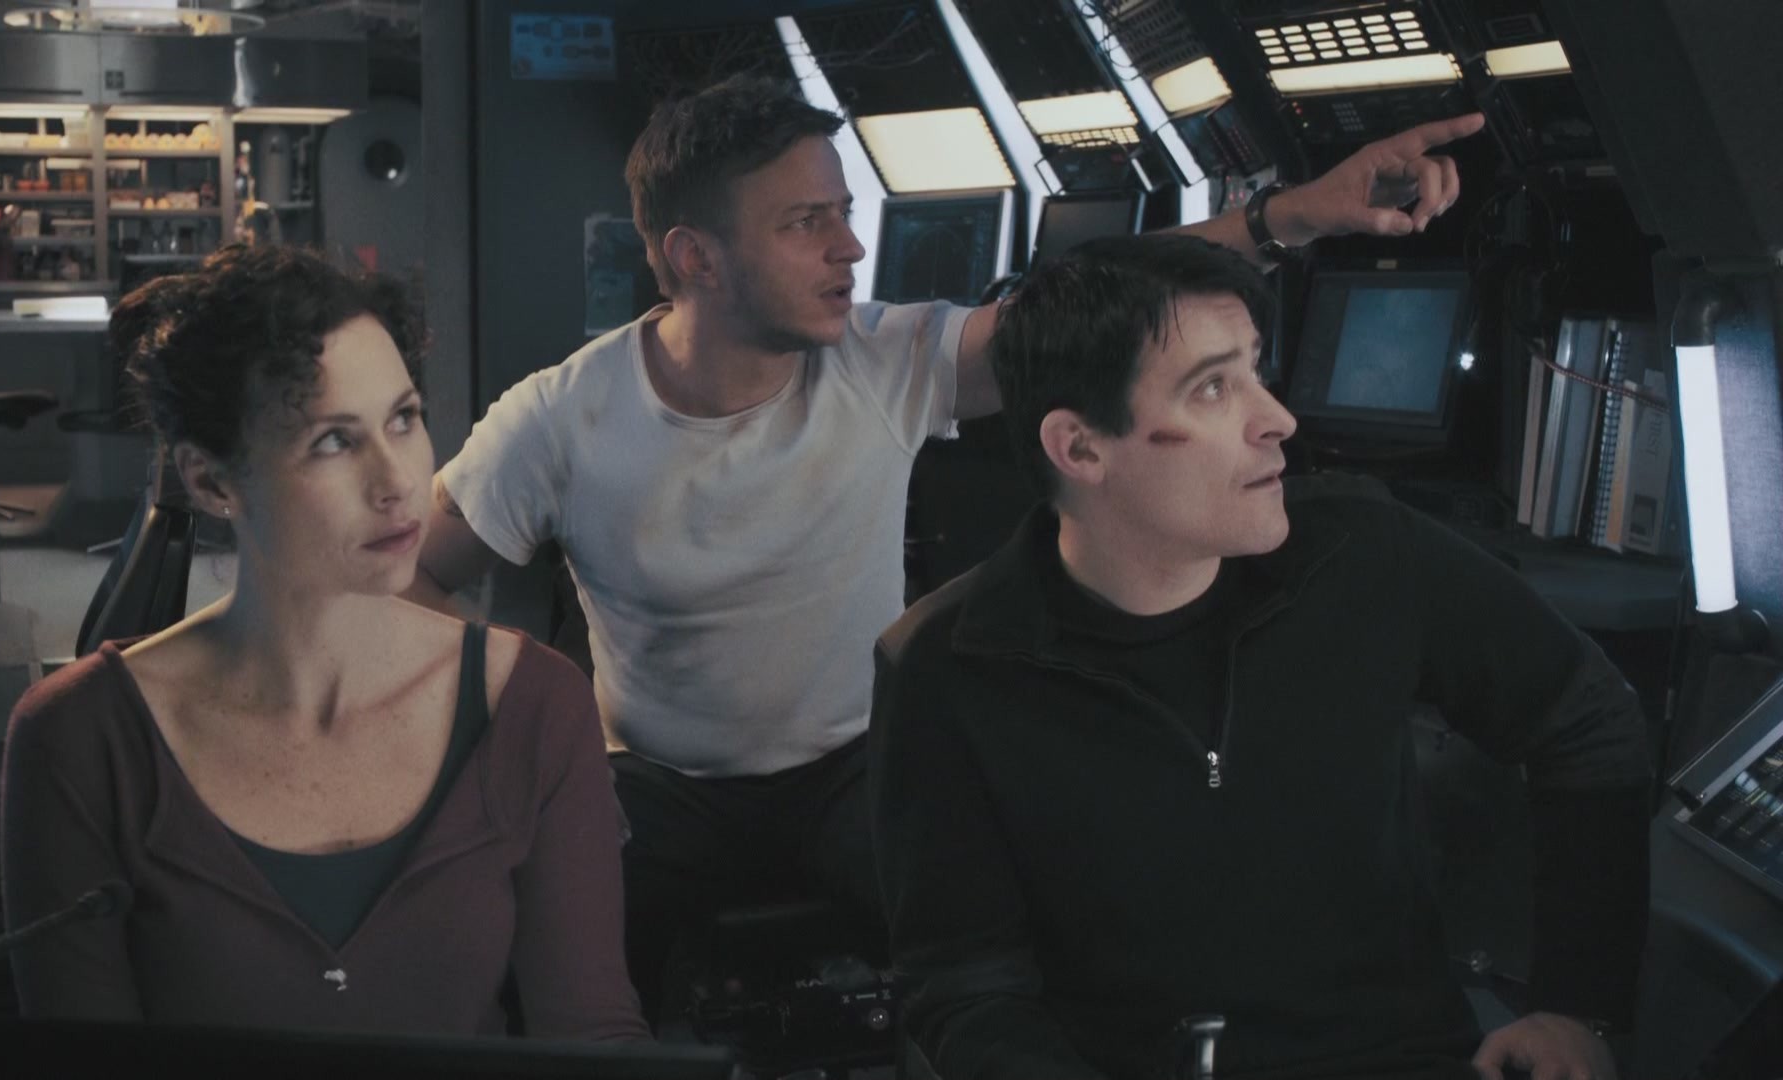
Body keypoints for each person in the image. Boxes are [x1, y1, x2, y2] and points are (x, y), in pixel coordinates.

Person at [405, 74, 1487, 1012]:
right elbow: (411, 586)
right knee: (525, 972)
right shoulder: (557, 420)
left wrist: (1293, 216)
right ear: (697, 258)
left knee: (1034, 957)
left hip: (860, 768)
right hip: (656, 787)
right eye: (805, 223)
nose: (848, 245)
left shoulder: (881, 362)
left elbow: (1091, 302)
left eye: (843, 212)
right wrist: (506, 735)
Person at [868, 233, 1651, 1080]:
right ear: (1081, 448)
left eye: (1255, 370)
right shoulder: (949, 666)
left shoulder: (1364, 555)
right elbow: (967, 986)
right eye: (1213, 387)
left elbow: (1587, 718)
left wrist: (1579, 1009)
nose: (1279, 419)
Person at [1, 244, 646, 1040]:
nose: (398, 482)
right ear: (210, 481)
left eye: (403, 419)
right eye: (334, 441)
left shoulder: (534, 705)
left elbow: (592, 1037)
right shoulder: (78, 736)